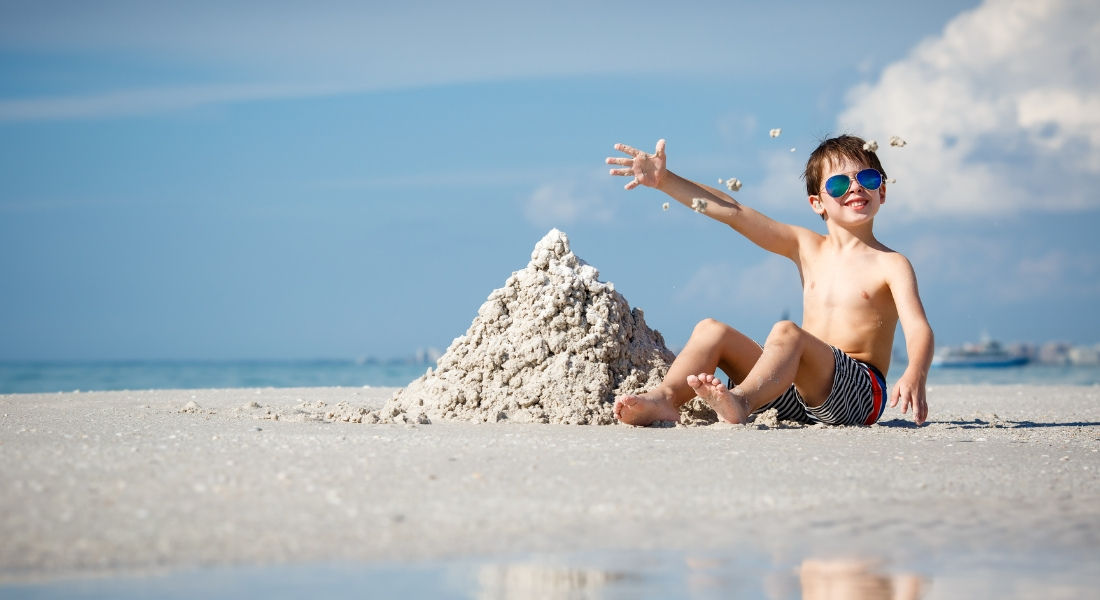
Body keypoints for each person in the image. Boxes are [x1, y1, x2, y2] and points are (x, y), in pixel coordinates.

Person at [604, 136, 933, 427]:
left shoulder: (891, 263)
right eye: (838, 185)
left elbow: (918, 328)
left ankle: (742, 402)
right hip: (796, 392)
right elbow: (734, 211)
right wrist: (664, 180)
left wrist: (915, 370)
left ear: (883, 191)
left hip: (858, 394)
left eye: (867, 178)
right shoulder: (805, 246)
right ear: (817, 202)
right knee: (711, 330)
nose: (856, 187)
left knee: (787, 332)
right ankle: (665, 398)